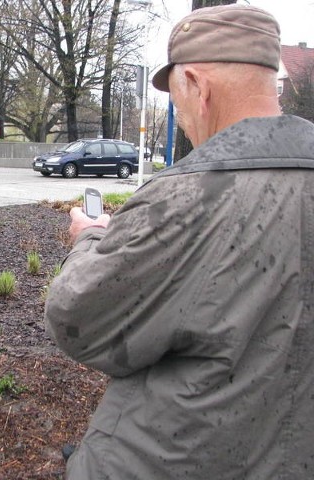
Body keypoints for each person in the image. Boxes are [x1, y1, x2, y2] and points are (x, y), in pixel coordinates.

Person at [44, 4, 314, 479]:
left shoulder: (184, 199)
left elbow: (77, 319)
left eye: (176, 98)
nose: (182, 115)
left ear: (196, 85)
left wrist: (89, 241)